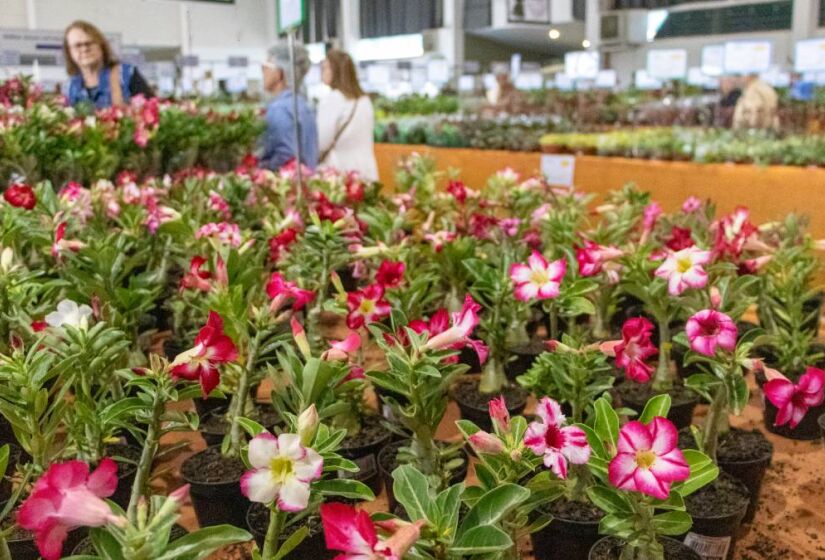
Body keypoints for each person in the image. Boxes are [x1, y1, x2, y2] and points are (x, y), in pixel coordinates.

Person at [317, 49, 378, 181]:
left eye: (326, 67)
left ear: (337, 71)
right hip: (367, 169)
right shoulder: (364, 100)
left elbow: (321, 142)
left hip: (341, 173)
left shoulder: (332, 99)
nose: (322, 70)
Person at [63, 20, 153, 109]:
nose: (85, 49)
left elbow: (152, 109)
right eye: (77, 45)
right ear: (69, 52)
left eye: (89, 43)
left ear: (101, 46)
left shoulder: (126, 74)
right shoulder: (69, 87)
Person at [260, 42, 318, 171]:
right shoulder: (302, 105)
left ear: (280, 72)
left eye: (265, 68)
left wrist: (264, 169)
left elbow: (286, 154)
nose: (263, 73)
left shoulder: (279, 108)